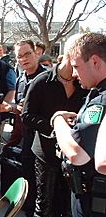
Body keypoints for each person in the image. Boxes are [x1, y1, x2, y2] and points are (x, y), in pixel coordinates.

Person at [21, 38, 88, 217]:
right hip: (46, 154)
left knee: (67, 207)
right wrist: (54, 124)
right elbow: (26, 116)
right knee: (44, 207)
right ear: (67, 57)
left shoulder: (85, 86)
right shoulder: (42, 81)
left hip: (73, 156)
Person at [51, 33, 106, 217]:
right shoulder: (95, 93)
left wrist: (57, 120)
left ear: (95, 62)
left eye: (76, 66)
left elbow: (77, 154)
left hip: (93, 199)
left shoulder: (102, 100)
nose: (73, 74)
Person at [0, 39, 46, 217]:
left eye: (27, 54)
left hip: (42, 141)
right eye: (19, 56)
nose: (24, 59)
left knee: (41, 189)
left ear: (36, 53)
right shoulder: (21, 78)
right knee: (28, 181)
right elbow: (21, 108)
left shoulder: (47, 79)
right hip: (24, 138)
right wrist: (9, 108)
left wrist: (18, 108)